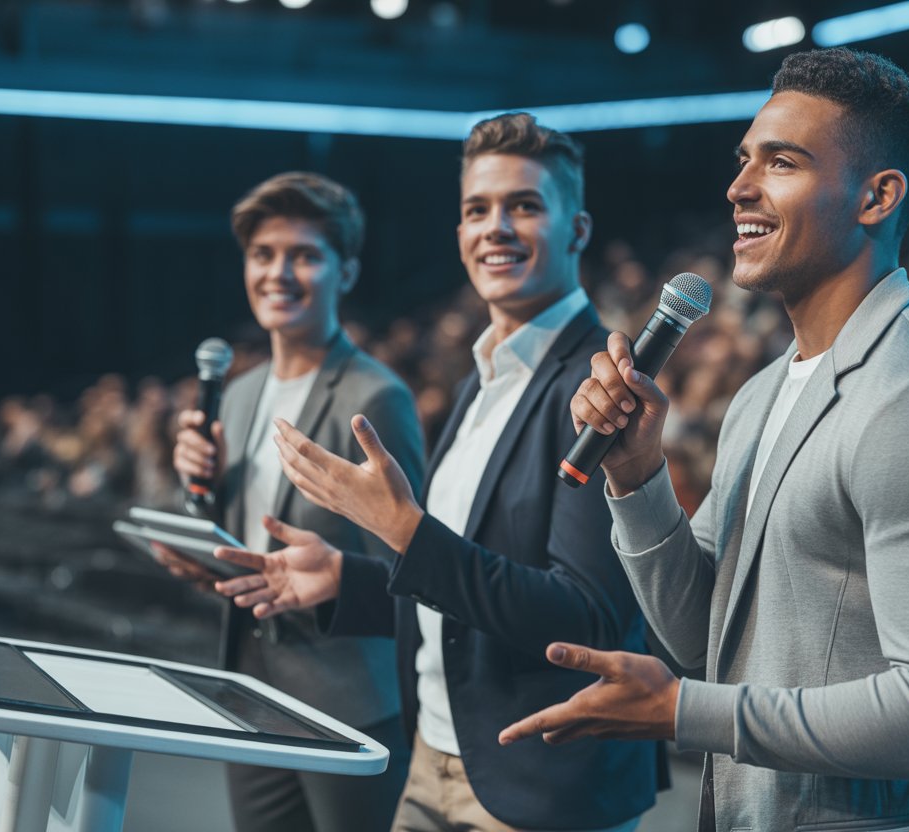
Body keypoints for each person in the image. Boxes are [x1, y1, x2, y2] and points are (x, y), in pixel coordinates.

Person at [499, 48, 909, 831]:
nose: (738, 187)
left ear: (876, 197)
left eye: (780, 163)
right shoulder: (761, 392)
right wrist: (638, 476)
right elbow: (698, 639)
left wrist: (684, 712)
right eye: (743, 160)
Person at [215, 113, 662, 831]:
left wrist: (402, 531)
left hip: (537, 784)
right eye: (476, 210)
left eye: (524, 206)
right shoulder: (484, 377)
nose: (496, 228)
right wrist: (349, 580)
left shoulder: (597, 384)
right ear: (458, 237)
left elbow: (585, 616)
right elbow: (467, 575)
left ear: (577, 231)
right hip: (435, 757)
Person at [153, 171, 424, 832]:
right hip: (248, 682)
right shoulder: (237, 391)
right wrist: (194, 505)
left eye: (304, 255)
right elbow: (238, 539)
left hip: (347, 699)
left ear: (346, 271)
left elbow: (421, 569)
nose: (279, 272)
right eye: (263, 254)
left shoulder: (374, 396)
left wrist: (332, 582)